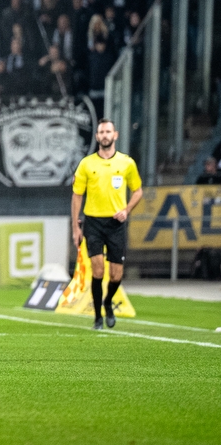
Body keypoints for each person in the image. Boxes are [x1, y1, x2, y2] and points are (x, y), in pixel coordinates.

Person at [71, 119, 143, 330]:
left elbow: (138, 191)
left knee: (116, 275)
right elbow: (77, 195)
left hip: (115, 224)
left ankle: (108, 302)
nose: (105, 135)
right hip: (93, 222)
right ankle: (97, 317)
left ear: (115, 135)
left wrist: (126, 210)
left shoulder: (126, 163)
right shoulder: (86, 164)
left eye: (108, 131)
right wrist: (75, 227)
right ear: (97, 136)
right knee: (98, 270)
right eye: (101, 132)